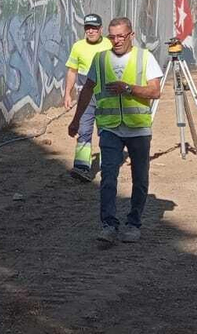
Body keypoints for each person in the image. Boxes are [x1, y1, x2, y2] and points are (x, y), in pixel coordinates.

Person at [67, 17, 163, 244]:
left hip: (138, 129)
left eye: (121, 36)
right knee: (108, 178)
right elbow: (88, 90)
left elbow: (155, 91)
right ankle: (109, 225)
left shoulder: (144, 57)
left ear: (132, 35)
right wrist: (76, 119)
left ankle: (133, 223)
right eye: (112, 36)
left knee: (140, 178)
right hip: (110, 129)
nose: (116, 41)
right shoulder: (100, 60)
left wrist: (128, 88)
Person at [63, 12, 111, 181]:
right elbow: (72, 71)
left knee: (106, 131)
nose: (91, 31)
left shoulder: (110, 44)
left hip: (106, 95)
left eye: (94, 28)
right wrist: (67, 93)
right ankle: (82, 167)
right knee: (83, 129)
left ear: (101, 29)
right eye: (88, 28)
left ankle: (108, 166)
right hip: (86, 95)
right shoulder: (78, 47)